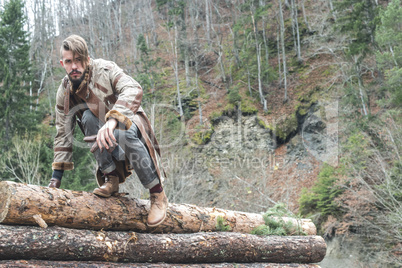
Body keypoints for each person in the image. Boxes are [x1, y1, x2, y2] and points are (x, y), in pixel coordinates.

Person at [48, 34, 168, 227]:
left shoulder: (106, 69)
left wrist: (112, 120)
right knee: (86, 117)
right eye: (69, 61)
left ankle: (157, 194)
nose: (74, 66)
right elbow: (63, 131)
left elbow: (133, 88)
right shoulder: (65, 91)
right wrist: (55, 179)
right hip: (106, 140)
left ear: (87, 59)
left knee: (122, 131)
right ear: (63, 63)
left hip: (130, 125)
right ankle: (110, 178)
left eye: (79, 60)